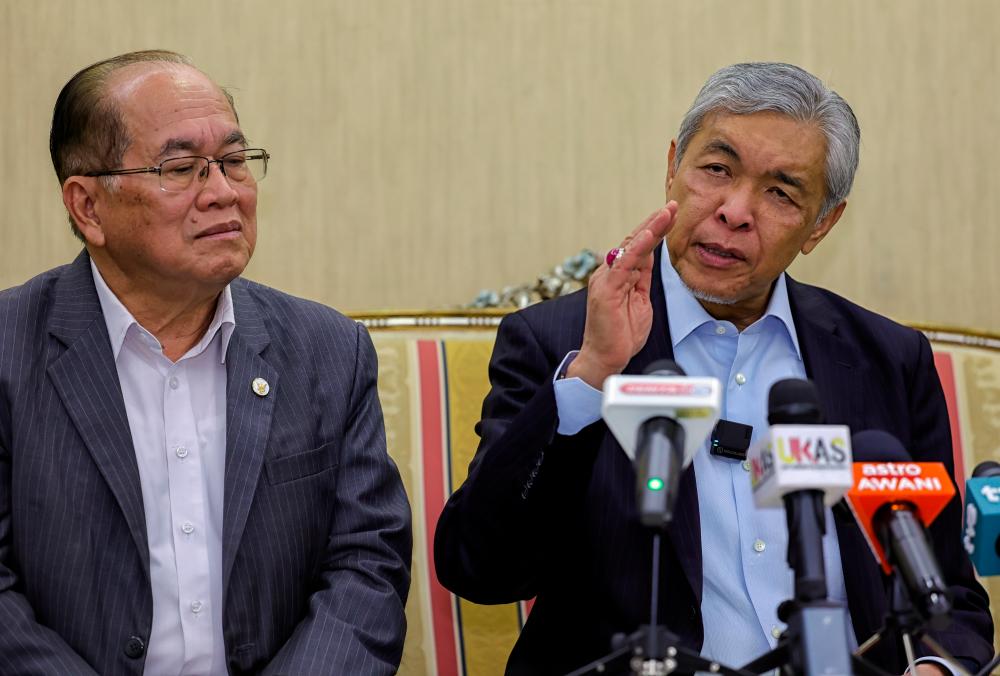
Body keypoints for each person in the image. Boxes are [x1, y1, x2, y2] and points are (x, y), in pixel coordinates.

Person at [434, 62, 994, 675]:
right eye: (716, 169)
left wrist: (937, 669)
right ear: (673, 166)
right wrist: (592, 377)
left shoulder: (888, 360)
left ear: (823, 224)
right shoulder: (558, 343)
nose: (734, 210)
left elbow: (947, 600)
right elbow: (481, 570)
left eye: (781, 192)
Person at [0, 50, 410, 675]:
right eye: (182, 167)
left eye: (236, 162)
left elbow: (367, 564)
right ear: (88, 207)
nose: (223, 193)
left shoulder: (328, 349)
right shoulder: (9, 348)